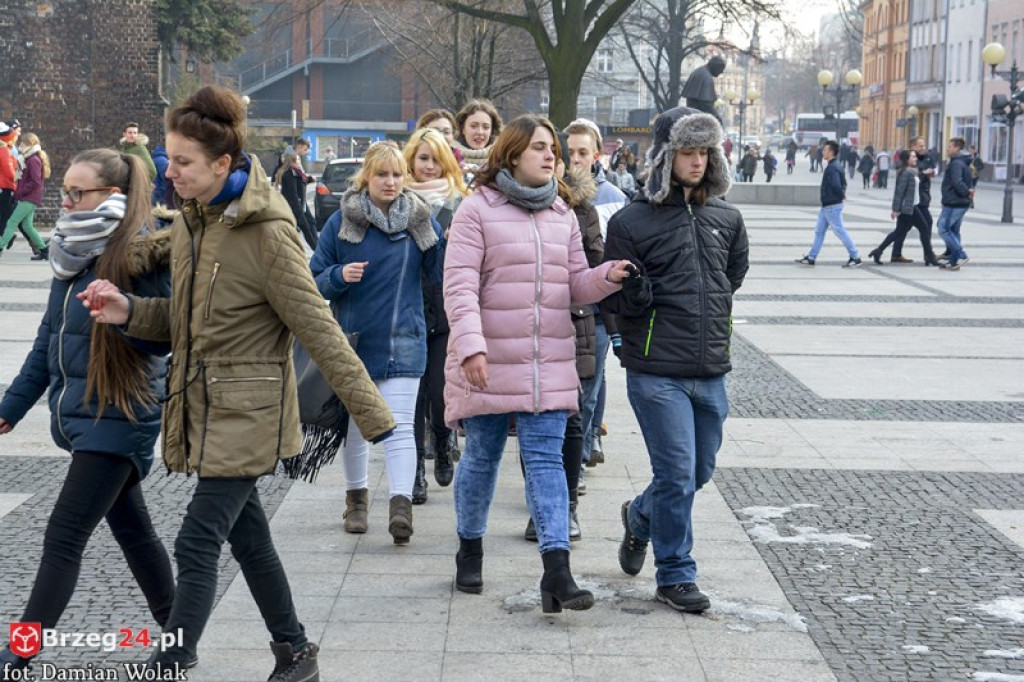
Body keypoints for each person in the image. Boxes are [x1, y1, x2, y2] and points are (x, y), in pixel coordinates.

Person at [80, 85, 395, 679]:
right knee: (249, 539)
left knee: (197, 541)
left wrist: (376, 420)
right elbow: (186, 324)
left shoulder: (266, 231)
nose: (171, 173)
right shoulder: (198, 224)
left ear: (223, 163)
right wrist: (126, 309)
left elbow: (319, 329)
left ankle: (171, 661)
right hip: (204, 406)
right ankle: (295, 651)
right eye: (169, 159)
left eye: (185, 162)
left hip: (250, 416)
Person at [444, 114, 632, 611]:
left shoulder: (562, 213)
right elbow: (459, 286)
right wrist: (470, 346)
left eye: (553, 148)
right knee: (481, 457)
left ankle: (557, 572)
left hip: (548, 357)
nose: (552, 156)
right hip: (487, 357)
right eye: (540, 148)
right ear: (511, 155)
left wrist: (607, 275)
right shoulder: (476, 211)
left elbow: (575, 286)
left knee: (547, 462)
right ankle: (470, 548)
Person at [0, 149, 175, 674]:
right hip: (83, 416)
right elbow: (46, 341)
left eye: (80, 193)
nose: (68, 202)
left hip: (119, 416)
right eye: (66, 192)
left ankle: (22, 651)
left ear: (113, 196)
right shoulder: (69, 252)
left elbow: (163, 338)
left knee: (62, 535)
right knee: (135, 534)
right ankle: (178, 639)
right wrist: (9, 408)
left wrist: (122, 315)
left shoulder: (143, 254)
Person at [603, 106, 748, 613]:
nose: (697, 161)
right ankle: (675, 574)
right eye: (688, 151)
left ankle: (640, 517)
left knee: (697, 471)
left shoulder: (727, 218)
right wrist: (638, 299)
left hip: (710, 369)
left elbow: (732, 276)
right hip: (656, 371)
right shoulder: (630, 220)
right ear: (666, 157)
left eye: (705, 152)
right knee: (679, 472)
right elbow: (611, 296)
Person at [310, 140, 444, 540]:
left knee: (402, 426)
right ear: (366, 176)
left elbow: (440, 277)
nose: (390, 182)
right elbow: (313, 281)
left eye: (397, 174)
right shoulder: (342, 222)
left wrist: (446, 243)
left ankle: (401, 507)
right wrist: (338, 277)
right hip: (353, 342)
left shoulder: (421, 220)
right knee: (356, 426)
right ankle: (356, 501)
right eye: (382, 174)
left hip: (406, 338)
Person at [403, 128, 467, 504]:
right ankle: (412, 473)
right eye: (422, 158)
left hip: (446, 312)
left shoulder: (460, 204)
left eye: (435, 159)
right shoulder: (395, 202)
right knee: (411, 397)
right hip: (407, 310)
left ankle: (442, 440)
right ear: (411, 160)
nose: (428, 166)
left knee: (442, 393)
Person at [564, 118, 626, 470]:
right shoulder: (552, 193)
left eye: (582, 152)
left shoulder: (613, 199)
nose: (576, 160)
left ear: (596, 154)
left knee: (590, 385)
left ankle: (583, 450)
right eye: (570, 152)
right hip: (562, 305)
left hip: (598, 310)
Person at [795, 140, 862, 267]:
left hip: (831, 205)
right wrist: (841, 193)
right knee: (819, 232)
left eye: (825, 150)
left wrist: (840, 195)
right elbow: (844, 184)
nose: (823, 152)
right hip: (827, 206)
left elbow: (837, 185)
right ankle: (811, 257)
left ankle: (855, 256)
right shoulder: (836, 166)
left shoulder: (832, 168)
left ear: (831, 152)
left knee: (839, 231)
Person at [867, 150, 938, 266]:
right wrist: (895, 209)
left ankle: (878, 251)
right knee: (924, 228)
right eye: (913, 157)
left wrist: (925, 174)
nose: (916, 159)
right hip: (909, 207)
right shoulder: (906, 173)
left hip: (909, 206)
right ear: (907, 160)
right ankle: (930, 256)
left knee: (899, 231)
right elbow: (899, 192)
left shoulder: (911, 172)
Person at [0, 132, 50, 260]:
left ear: (30, 144)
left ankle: (0, 247)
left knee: (12, 222)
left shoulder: (33, 160)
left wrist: (20, 192)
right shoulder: (30, 158)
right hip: (30, 197)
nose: (20, 145)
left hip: (28, 197)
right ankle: (44, 250)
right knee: (27, 226)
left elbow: (36, 181)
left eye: (23, 143)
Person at [890, 137, 936, 263]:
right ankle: (929, 255)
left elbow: (930, 169)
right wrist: (923, 174)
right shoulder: (907, 159)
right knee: (925, 225)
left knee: (903, 228)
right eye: (920, 145)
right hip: (912, 201)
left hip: (921, 198)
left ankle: (894, 253)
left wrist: (931, 173)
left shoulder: (926, 158)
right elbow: (907, 177)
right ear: (913, 146)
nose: (923, 148)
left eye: (924, 145)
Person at [936, 137, 974, 271]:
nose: (947, 149)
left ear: (957, 148)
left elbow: (957, 182)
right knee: (954, 231)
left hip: (955, 202)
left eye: (950, 146)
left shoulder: (956, 163)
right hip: (959, 202)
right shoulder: (963, 162)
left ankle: (961, 255)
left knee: (943, 228)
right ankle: (954, 261)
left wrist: (966, 192)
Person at [276, 150, 318, 249]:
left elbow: (301, 183)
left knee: (307, 227)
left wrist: (310, 179)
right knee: (305, 230)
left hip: (298, 205)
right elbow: (293, 194)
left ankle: (318, 250)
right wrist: (299, 210)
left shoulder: (296, 172)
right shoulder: (290, 173)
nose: (299, 160)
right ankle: (318, 252)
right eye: (298, 158)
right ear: (293, 159)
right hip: (294, 207)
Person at [452, 99, 503, 172]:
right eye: (473, 126)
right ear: (462, 129)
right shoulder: (447, 158)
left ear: (492, 130)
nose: (480, 132)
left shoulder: (502, 160)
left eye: (486, 127)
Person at [681, 56, 726, 121]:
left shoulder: (699, 72)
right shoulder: (706, 77)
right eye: (721, 69)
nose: (721, 72)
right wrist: (717, 116)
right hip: (699, 118)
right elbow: (706, 103)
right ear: (715, 67)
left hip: (693, 116)